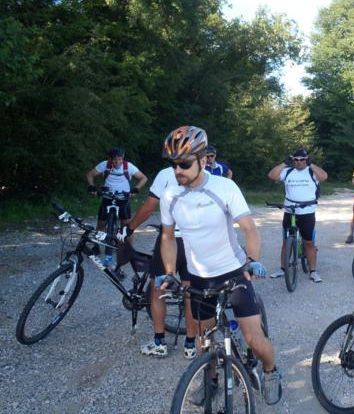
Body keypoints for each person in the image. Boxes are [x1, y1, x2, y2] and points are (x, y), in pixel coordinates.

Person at [158, 125, 282, 405]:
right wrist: (169, 273)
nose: (178, 170)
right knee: (205, 341)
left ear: (203, 160)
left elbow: (249, 228)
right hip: (199, 277)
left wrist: (252, 261)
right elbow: (167, 237)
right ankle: (211, 379)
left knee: (254, 339)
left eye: (184, 164)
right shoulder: (170, 195)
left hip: (233, 273)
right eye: (173, 164)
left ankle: (271, 370)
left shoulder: (224, 187)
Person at [116, 166, 197, 359]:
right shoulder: (205, 174)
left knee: (158, 290)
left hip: (170, 240)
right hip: (195, 241)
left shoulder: (166, 174)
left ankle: (159, 342)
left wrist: (129, 228)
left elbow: (149, 205)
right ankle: (191, 345)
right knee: (191, 293)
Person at [267, 148, 328, 283]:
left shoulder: (311, 171)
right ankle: (283, 269)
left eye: (302, 159)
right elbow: (272, 175)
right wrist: (284, 163)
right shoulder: (288, 171)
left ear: (306, 160)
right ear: (292, 160)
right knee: (286, 242)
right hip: (290, 211)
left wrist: (311, 164)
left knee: (308, 242)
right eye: (296, 159)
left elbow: (324, 177)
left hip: (307, 212)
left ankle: (313, 271)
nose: (299, 162)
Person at [86, 147, 147, 266]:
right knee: (101, 223)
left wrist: (136, 189)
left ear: (123, 158)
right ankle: (96, 245)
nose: (118, 162)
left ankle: (129, 250)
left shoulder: (128, 166)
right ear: (110, 159)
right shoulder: (105, 165)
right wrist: (92, 186)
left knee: (126, 226)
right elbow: (90, 174)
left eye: (120, 159)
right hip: (107, 197)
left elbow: (143, 178)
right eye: (114, 159)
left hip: (123, 198)